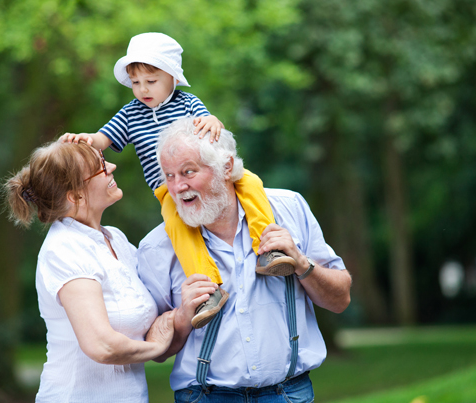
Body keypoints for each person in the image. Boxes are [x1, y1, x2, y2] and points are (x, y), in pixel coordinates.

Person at [61, 32, 297, 329]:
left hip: (206, 173)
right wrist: (86, 139)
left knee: (251, 184)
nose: (142, 89)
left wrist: (213, 121)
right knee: (178, 226)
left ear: (172, 77)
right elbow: (102, 138)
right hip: (167, 188)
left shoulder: (188, 103)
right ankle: (208, 287)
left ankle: (268, 249)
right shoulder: (130, 114)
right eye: (136, 83)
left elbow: (209, 122)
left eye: (151, 81)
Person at [137, 118, 352, 402]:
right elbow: (157, 351)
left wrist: (301, 264)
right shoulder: (155, 247)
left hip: (288, 394)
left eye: (188, 172)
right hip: (204, 397)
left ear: (226, 167)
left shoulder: (290, 208)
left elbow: (340, 300)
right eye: (170, 176)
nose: (177, 187)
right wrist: (182, 317)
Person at [3, 140, 175, 403]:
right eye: (101, 167)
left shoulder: (115, 239)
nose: (112, 167)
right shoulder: (64, 249)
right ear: (75, 196)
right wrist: (157, 347)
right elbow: (101, 345)